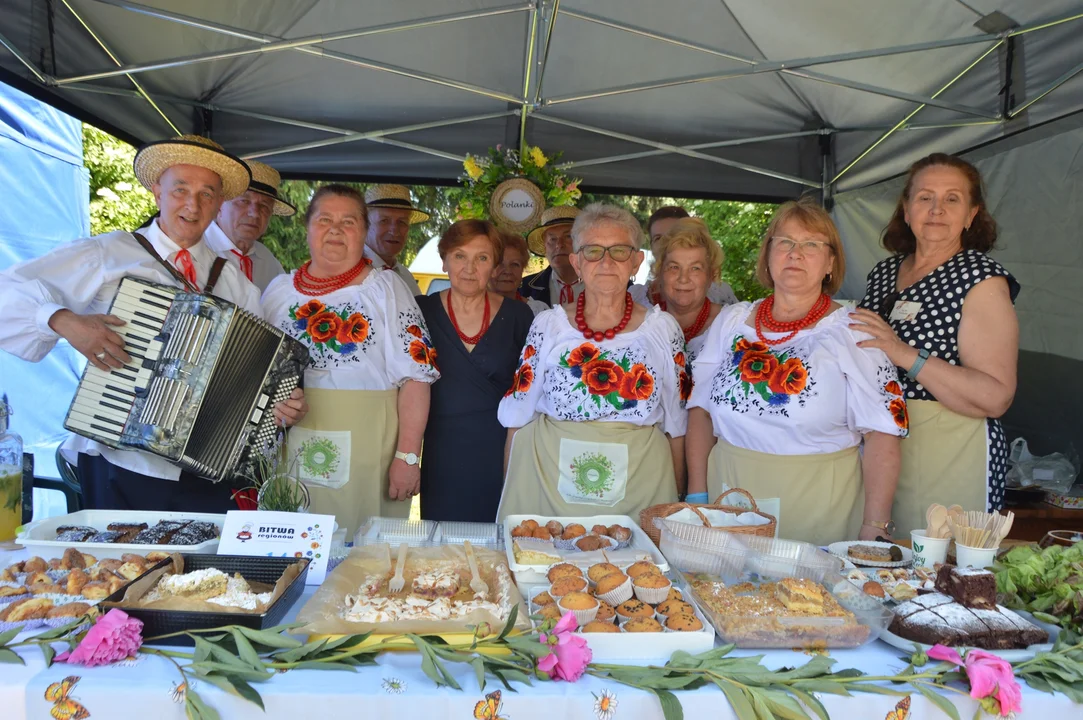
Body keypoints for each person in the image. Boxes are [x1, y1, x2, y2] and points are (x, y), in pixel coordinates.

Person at [0, 134, 307, 511]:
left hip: (206, 472)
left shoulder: (236, 285)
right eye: (181, 190)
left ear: (218, 203)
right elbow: (8, 290)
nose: (192, 206)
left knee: (201, 572)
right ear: (156, 192)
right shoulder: (109, 253)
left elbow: (261, 379)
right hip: (119, 462)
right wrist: (64, 321)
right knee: (123, 571)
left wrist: (281, 404)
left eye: (207, 194)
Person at [685, 199, 907, 545]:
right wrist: (697, 494)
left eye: (811, 244)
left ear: (831, 262)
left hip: (818, 506)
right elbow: (699, 409)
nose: (795, 253)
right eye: (784, 242)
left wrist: (875, 526)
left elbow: (883, 434)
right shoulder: (731, 322)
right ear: (768, 256)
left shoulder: (855, 330)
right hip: (728, 499)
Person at [854, 153, 1019, 537]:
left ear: (971, 214)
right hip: (881, 447)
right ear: (907, 210)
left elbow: (996, 396)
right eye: (925, 197)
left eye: (952, 199)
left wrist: (903, 353)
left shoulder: (981, 279)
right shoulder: (884, 272)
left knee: (940, 577)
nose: (937, 209)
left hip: (951, 447)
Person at [261, 184, 439, 535]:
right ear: (308, 227)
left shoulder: (386, 288)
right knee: (291, 545)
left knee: (361, 558)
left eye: (349, 222)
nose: (335, 230)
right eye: (324, 219)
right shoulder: (278, 292)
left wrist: (407, 457)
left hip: (369, 446)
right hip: (289, 444)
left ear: (364, 231)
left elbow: (417, 378)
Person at [497, 203, 687, 521]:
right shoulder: (548, 325)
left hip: (642, 488)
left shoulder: (663, 329)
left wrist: (678, 499)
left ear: (637, 261)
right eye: (593, 251)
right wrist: (512, 493)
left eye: (619, 251)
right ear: (577, 262)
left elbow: (677, 423)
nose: (606, 262)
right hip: (548, 488)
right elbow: (517, 417)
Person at [415, 220, 535, 522]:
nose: (470, 268)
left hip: (499, 450)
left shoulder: (519, 316)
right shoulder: (420, 311)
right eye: (459, 256)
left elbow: (530, 394)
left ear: (494, 266)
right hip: (441, 451)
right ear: (444, 261)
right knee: (441, 551)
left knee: (496, 546)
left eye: (481, 258)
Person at [203, 159, 292, 291]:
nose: (255, 213)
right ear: (220, 205)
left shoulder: (268, 262)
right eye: (244, 201)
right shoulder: (196, 248)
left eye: (264, 206)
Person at [650, 217, 727, 364]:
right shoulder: (644, 324)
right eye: (674, 267)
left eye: (695, 268)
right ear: (659, 273)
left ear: (711, 275)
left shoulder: (729, 326)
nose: (683, 279)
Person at [630, 205, 738, 308]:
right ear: (651, 245)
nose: (666, 244)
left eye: (675, 235)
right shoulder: (635, 297)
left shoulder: (720, 295)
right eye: (658, 238)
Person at [363, 184, 429, 296]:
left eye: (402, 222)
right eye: (384, 221)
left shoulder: (405, 275)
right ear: (364, 225)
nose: (394, 231)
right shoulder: (347, 272)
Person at [520, 206, 583, 307]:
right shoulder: (525, 288)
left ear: (583, 243)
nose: (559, 244)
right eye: (552, 239)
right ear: (545, 246)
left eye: (568, 236)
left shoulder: (603, 285)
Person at [489, 229, 549, 315]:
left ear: (523, 269)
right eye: (500, 264)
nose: (508, 271)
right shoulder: (470, 311)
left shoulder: (537, 311)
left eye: (515, 264)